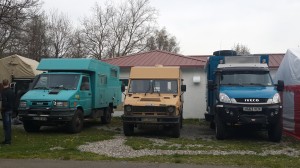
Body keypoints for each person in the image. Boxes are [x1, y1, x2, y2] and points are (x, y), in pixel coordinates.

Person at [1, 79, 15, 145]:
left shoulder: (3, 92)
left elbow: (4, 102)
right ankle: (8, 139)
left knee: (6, 126)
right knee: (9, 125)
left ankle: (7, 140)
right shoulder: (11, 91)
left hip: (6, 110)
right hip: (10, 110)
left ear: (3, 84)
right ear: (8, 83)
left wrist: (2, 108)